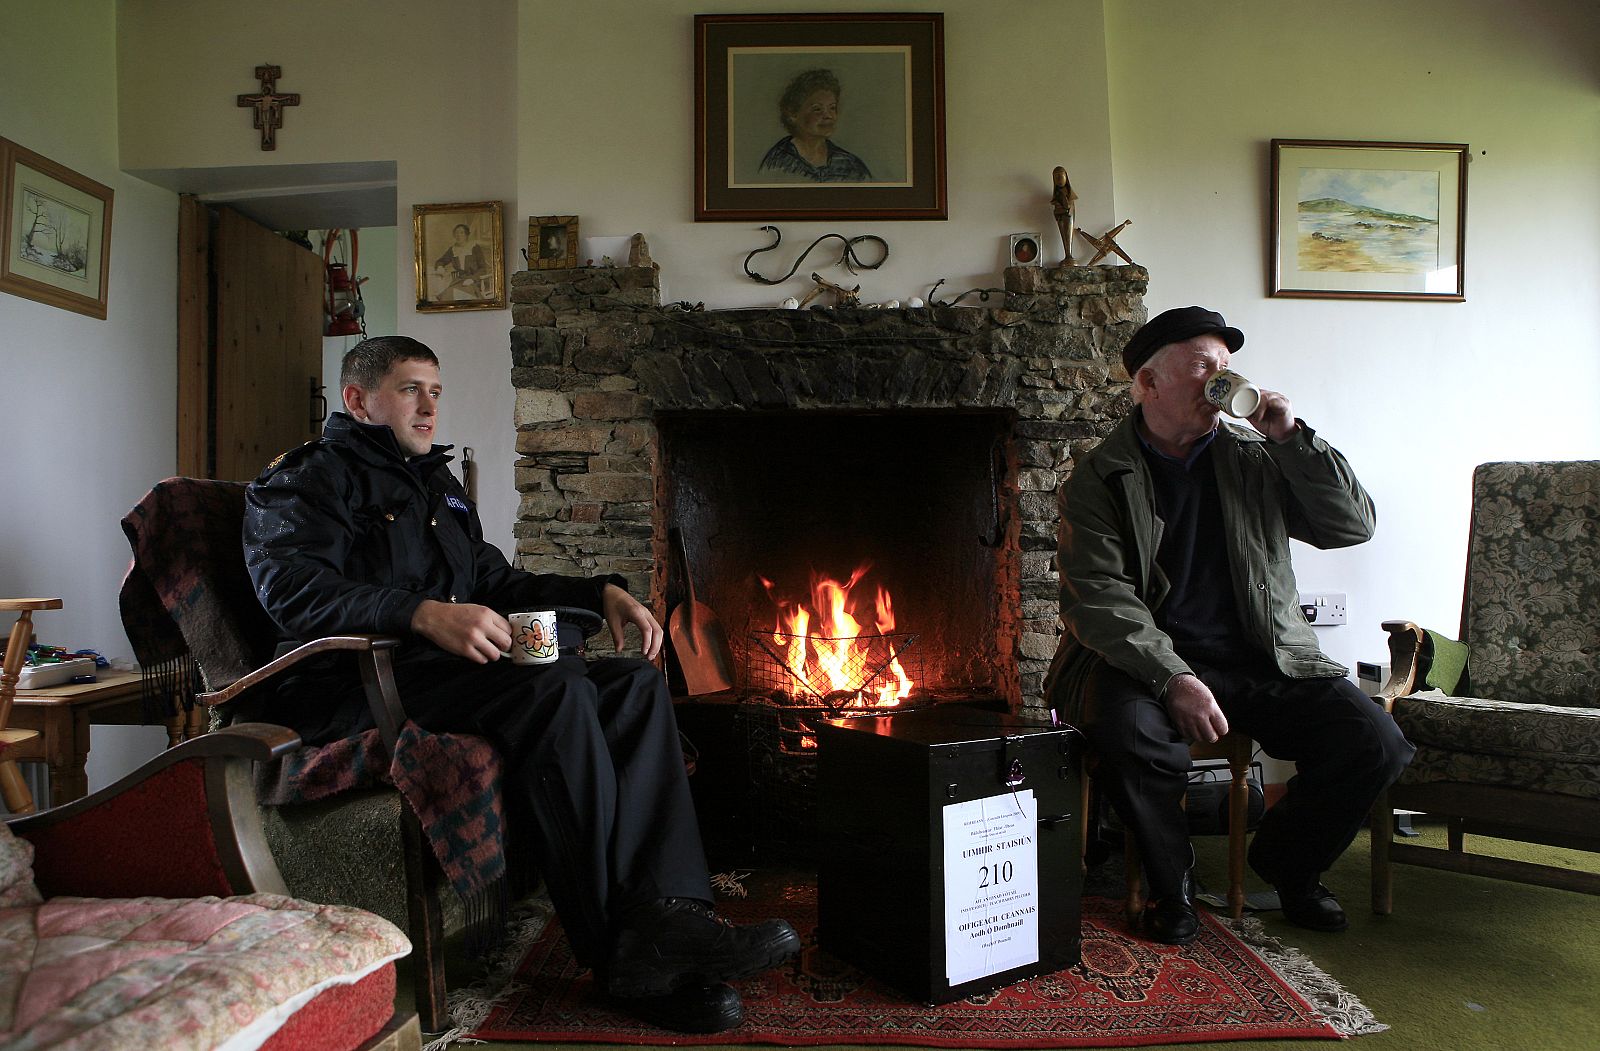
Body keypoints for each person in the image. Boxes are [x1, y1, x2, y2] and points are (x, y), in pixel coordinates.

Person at [242, 335, 800, 1033]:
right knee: (553, 688)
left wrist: (602, 593)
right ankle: (617, 955)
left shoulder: (436, 486)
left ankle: (672, 917)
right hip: (354, 685)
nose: (429, 406)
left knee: (628, 682)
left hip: (447, 674)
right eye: (412, 388)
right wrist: (419, 613)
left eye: (436, 392)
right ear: (357, 399)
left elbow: (498, 583)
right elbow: (292, 591)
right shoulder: (307, 479)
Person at [1046, 306, 1413, 945]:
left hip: (1263, 653)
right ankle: (1172, 886)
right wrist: (1173, 678)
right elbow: (1098, 596)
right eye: (1200, 369)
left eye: (1224, 368)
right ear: (1147, 385)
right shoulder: (1100, 474)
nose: (1218, 381)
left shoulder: (1257, 455)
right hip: (1146, 662)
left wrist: (1295, 439)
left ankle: (1290, 867)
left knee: (1373, 741)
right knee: (1130, 734)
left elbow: (1349, 527)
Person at [758, 68, 872, 182]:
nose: (828, 116)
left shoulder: (851, 165)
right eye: (817, 109)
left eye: (832, 108)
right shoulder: (778, 161)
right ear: (793, 114)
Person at [432, 223, 488, 301]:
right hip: (459, 280)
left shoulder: (474, 247)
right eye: (457, 233)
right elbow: (441, 261)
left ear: (466, 235)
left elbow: (483, 268)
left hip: (475, 281)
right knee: (447, 294)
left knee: (461, 294)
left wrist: (472, 279)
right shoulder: (453, 249)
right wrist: (440, 266)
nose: (459, 235)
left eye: (461, 233)